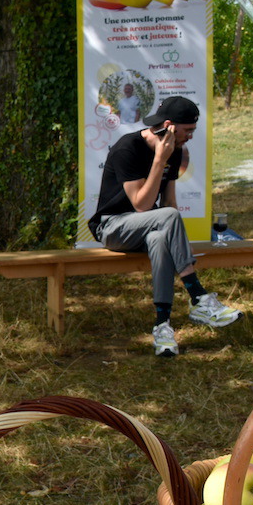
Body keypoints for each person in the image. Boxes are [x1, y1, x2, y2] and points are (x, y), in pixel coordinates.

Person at [89, 96, 241, 356]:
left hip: (148, 227)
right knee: (167, 216)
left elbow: (169, 202)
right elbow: (141, 205)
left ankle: (162, 327)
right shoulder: (128, 148)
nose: (190, 136)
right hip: (113, 227)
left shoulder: (176, 150)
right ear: (169, 125)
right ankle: (197, 296)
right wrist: (159, 160)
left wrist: (176, 240)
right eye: (187, 130)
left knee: (160, 239)